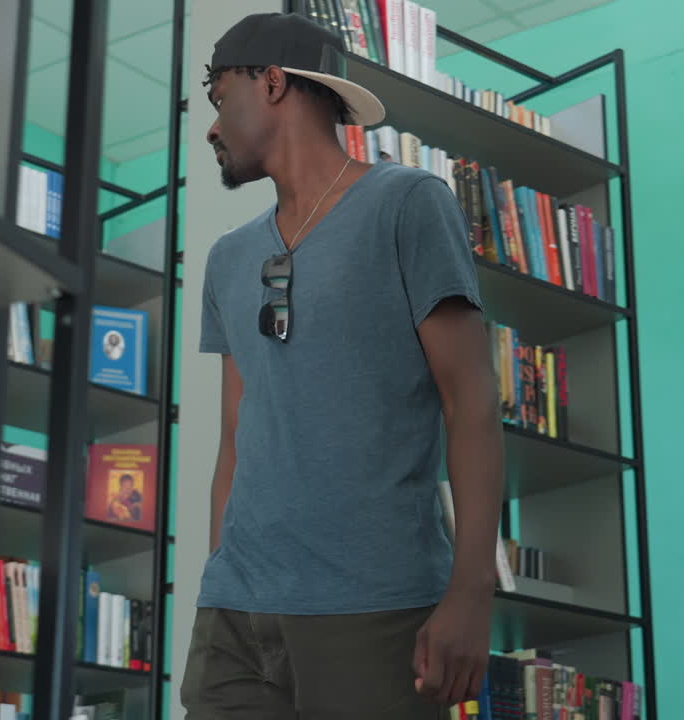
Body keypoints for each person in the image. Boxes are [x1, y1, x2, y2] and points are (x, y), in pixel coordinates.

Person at [180, 11, 506, 720]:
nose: (211, 128)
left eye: (220, 100)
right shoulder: (227, 259)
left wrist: (470, 593)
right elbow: (236, 436)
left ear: (271, 83)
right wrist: (216, 583)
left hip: (375, 606)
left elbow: (472, 405)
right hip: (236, 618)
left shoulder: (408, 204)